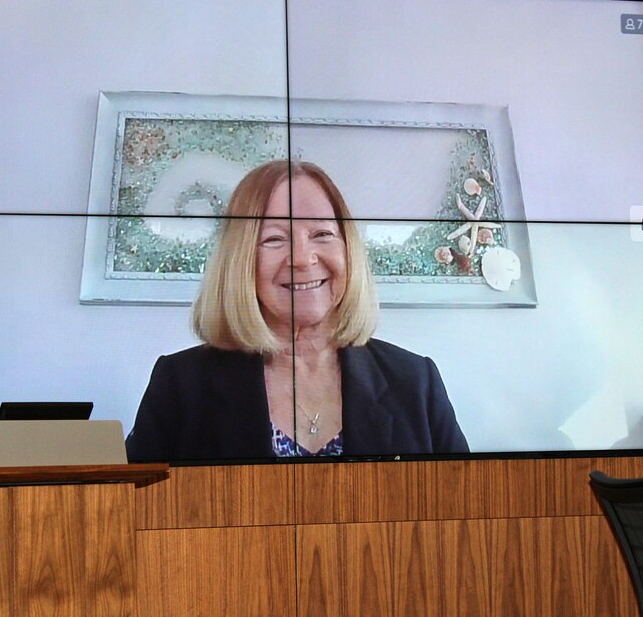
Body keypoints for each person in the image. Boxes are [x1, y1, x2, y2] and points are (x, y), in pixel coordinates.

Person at [125, 160, 469, 461]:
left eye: (322, 233)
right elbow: (134, 518)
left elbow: (468, 517)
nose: (303, 259)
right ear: (241, 260)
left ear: (348, 249)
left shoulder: (415, 380)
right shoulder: (180, 384)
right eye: (274, 239)